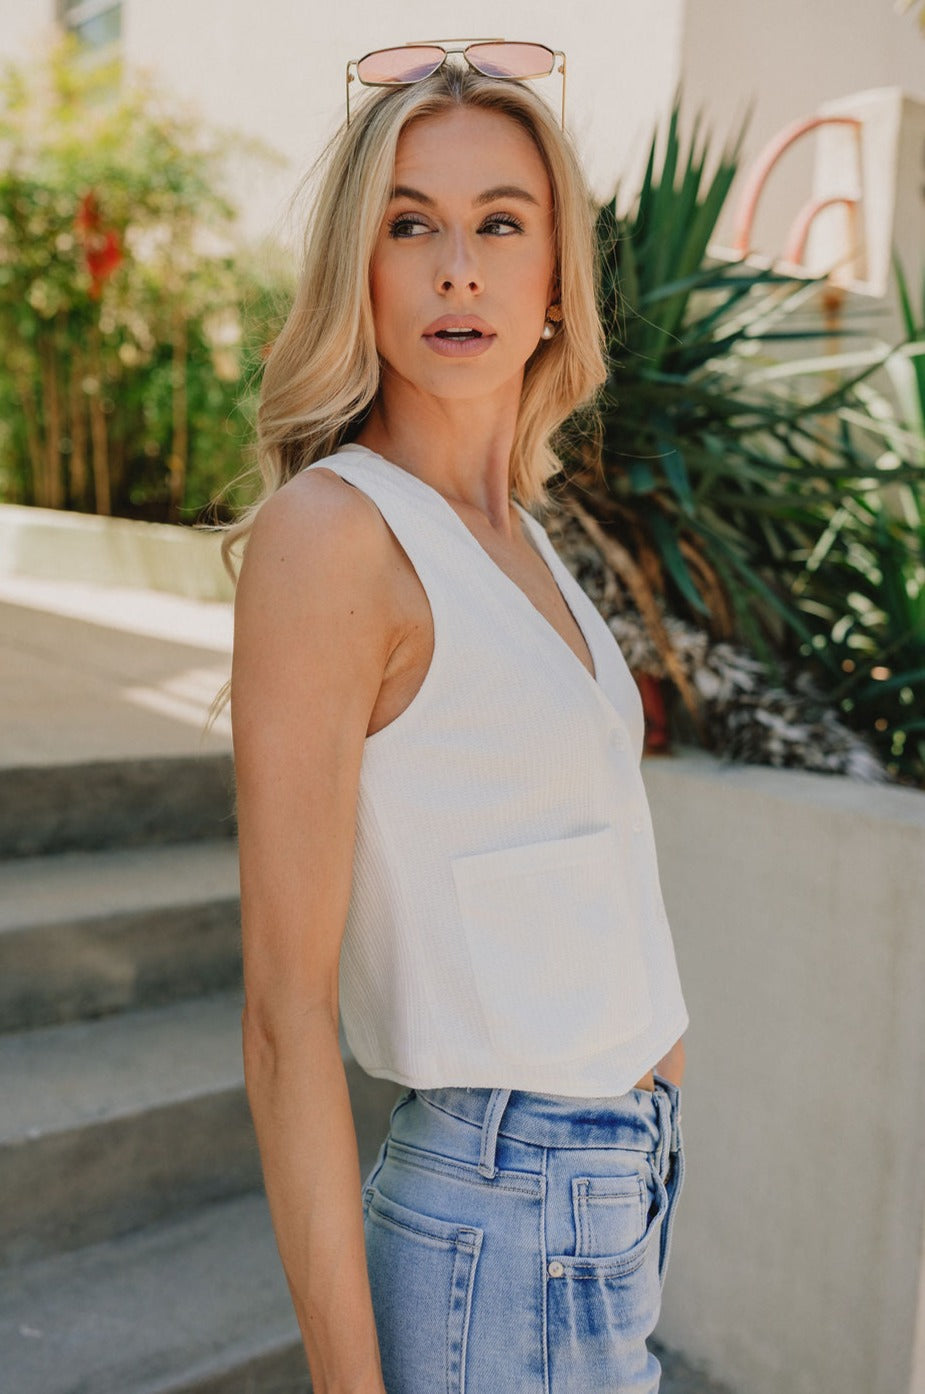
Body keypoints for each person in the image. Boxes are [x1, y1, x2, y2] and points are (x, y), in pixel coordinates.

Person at [227, 39, 689, 1394]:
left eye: (500, 222)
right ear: (357, 271)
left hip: (610, 1198)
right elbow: (280, 1015)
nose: (457, 268)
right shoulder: (336, 536)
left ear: (556, 280)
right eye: (409, 225)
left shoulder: (521, 538)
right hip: (506, 1209)